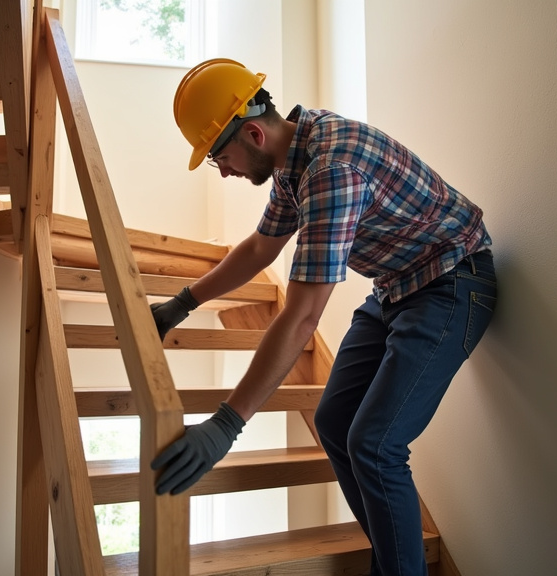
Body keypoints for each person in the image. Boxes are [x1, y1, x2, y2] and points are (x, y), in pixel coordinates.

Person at [149, 58, 497, 576]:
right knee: (335, 421)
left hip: (451, 282)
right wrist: (182, 304)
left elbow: (302, 317)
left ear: (252, 133)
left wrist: (226, 425)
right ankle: (395, 559)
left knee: (375, 444)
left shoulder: (331, 169)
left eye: (220, 157)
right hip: (397, 287)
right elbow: (259, 250)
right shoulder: (296, 160)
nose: (223, 171)